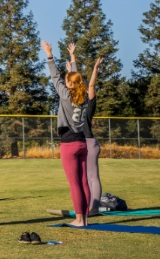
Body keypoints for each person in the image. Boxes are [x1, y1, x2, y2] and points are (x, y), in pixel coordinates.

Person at [42, 39, 92, 227]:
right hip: (82, 143)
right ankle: (85, 219)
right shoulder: (84, 96)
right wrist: (72, 58)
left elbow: (55, 76)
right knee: (83, 181)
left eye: (67, 81)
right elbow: (77, 79)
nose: (64, 81)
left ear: (70, 84)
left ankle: (79, 219)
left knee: (74, 184)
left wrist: (49, 54)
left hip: (69, 144)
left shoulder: (66, 95)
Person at [65, 43, 104, 215]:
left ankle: (92, 208)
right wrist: (73, 59)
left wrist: (94, 69)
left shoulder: (86, 102)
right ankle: (88, 207)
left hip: (87, 142)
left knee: (89, 178)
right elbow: (80, 82)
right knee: (85, 178)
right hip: (85, 142)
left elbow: (90, 86)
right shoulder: (81, 101)